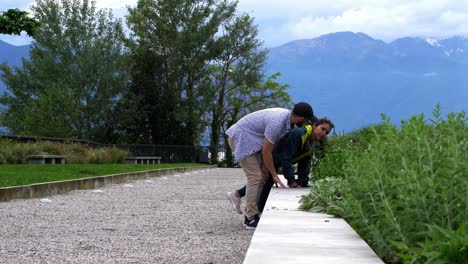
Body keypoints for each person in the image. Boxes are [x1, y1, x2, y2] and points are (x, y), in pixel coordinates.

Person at [226, 102, 316, 230]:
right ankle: (250, 218)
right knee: (255, 177)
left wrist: (266, 167)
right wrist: (274, 175)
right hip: (242, 137)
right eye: (307, 120)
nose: (307, 123)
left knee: (262, 175)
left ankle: (236, 196)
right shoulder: (278, 122)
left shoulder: (287, 122)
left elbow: (271, 146)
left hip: (253, 140)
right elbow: (267, 151)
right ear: (301, 118)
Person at [227, 117, 334, 215]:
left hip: (277, 159)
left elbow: (305, 161)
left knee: (265, 182)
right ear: (315, 125)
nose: (324, 133)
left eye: (327, 132)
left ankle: (239, 197)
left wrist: (303, 181)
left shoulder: (313, 141)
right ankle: (249, 207)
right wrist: (291, 180)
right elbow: (286, 157)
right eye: (322, 129)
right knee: (262, 181)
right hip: (271, 156)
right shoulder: (299, 133)